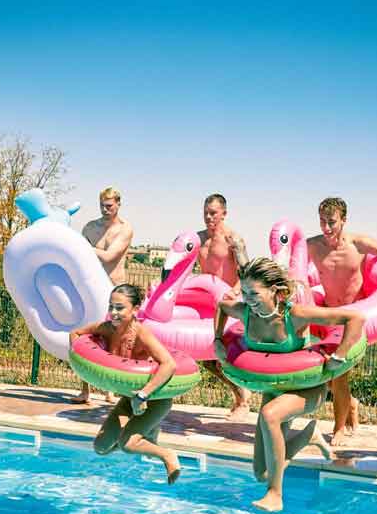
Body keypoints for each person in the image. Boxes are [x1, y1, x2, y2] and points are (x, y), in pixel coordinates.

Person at [215, 257, 365, 512]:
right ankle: (308, 435)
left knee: (269, 414)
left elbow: (355, 319)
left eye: (254, 293)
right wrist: (217, 338)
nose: (248, 298)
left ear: (275, 291)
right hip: (273, 387)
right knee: (261, 473)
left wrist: (339, 356)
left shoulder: (294, 315)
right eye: (245, 292)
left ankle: (275, 495)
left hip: (306, 389)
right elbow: (221, 306)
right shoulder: (245, 312)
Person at [306, 197, 377, 445]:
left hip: (355, 318)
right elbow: (288, 265)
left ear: (343, 220)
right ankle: (351, 404)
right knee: (329, 377)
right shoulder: (312, 246)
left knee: (338, 374)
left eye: (332, 222)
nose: (326, 228)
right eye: (322, 222)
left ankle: (338, 428)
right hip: (328, 315)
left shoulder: (359, 244)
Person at [69, 284, 183, 484]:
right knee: (101, 447)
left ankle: (167, 455)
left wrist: (143, 395)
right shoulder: (105, 328)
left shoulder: (141, 334)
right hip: (129, 397)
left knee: (128, 444)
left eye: (120, 308)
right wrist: (84, 364)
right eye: (111, 306)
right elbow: (75, 334)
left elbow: (169, 364)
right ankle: (147, 432)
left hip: (155, 398)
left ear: (135, 309)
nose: (113, 312)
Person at [72, 187, 135, 404]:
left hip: (115, 290)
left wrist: (83, 247)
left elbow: (109, 257)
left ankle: (110, 390)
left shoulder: (125, 229)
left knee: (115, 341)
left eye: (109, 205)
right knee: (86, 336)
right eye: (102, 205)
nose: (105, 210)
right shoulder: (90, 227)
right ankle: (85, 390)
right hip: (90, 289)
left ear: (118, 204)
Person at [195, 193, 253, 419]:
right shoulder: (199, 239)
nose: (209, 217)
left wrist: (236, 291)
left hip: (229, 304)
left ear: (224, 214)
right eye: (206, 213)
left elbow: (246, 271)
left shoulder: (233, 239)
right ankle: (241, 395)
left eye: (213, 213)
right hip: (206, 304)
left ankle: (242, 400)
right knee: (208, 361)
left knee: (224, 357)